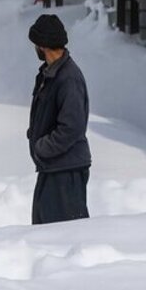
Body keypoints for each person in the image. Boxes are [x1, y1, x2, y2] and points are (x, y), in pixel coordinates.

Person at [26, 13, 91, 224]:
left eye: (35, 43)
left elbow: (72, 127)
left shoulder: (68, 78)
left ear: (43, 45)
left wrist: (42, 147)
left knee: (64, 237)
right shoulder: (51, 74)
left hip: (66, 170)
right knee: (43, 230)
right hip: (53, 168)